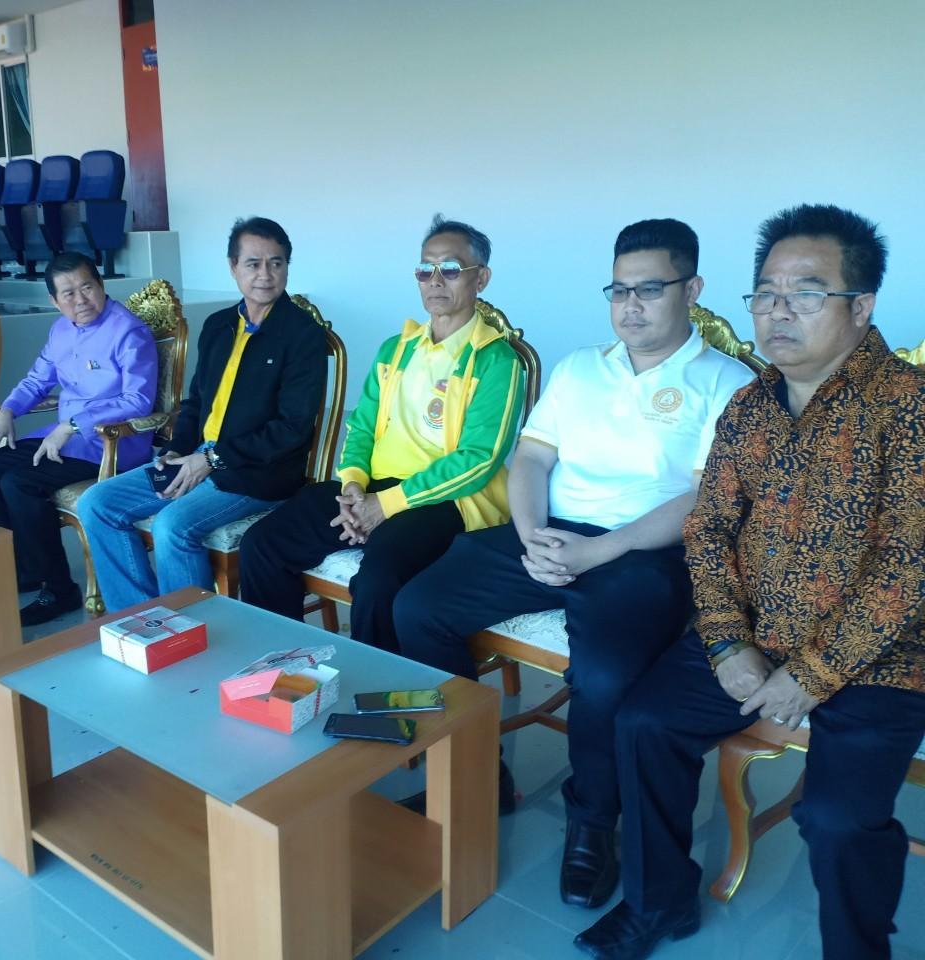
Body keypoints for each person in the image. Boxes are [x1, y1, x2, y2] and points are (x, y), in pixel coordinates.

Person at [576, 205, 925, 960]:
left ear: (860, 306)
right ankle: (659, 905)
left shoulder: (910, 408)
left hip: (878, 659)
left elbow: (909, 568)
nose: (778, 311)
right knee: (643, 723)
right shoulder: (750, 405)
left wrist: (813, 674)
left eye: (806, 292)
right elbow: (708, 531)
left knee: (836, 819)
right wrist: (728, 644)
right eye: (766, 293)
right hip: (756, 635)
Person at [394, 219, 756, 910]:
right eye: (619, 290)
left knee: (605, 672)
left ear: (693, 290)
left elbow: (705, 499)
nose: (630, 306)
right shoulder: (579, 368)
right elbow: (531, 457)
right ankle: (476, 779)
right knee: (419, 606)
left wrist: (600, 550)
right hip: (552, 533)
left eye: (649, 289)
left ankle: (593, 822)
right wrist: (532, 534)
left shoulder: (727, 382)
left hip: (645, 552)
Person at [239, 216, 525, 651]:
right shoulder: (397, 349)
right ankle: (283, 665)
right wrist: (353, 487)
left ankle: (381, 687)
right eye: (425, 269)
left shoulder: (496, 360)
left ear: (480, 278)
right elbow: (361, 428)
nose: (435, 281)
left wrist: (385, 506)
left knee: (378, 579)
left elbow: (478, 460)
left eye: (450, 269)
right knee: (263, 543)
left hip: (446, 501)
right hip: (373, 488)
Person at [78, 217, 328, 611]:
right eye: (253, 264)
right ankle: (146, 621)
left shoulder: (302, 335)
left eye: (276, 263)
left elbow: (292, 428)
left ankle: (192, 630)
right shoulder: (218, 325)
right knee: (97, 503)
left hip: (257, 473)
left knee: (172, 527)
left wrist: (211, 459)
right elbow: (196, 402)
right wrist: (176, 451)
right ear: (233, 267)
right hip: (198, 456)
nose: (265, 275)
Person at [0, 252, 158, 626]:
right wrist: (7, 413)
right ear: (54, 301)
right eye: (68, 294)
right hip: (63, 438)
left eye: (87, 287)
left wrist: (72, 424)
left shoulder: (128, 331)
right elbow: (37, 381)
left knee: (20, 482)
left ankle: (58, 589)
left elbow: (137, 400)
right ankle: (20, 571)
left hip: (112, 444)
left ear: (101, 285)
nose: (80, 300)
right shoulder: (61, 330)